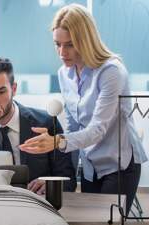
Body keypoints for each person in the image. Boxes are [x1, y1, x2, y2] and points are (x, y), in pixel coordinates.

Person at [19, 4, 147, 213]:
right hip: (91, 166)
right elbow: (73, 126)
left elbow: (98, 130)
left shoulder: (111, 72)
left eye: (70, 45)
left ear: (85, 40)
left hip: (119, 164)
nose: (62, 52)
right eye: (57, 44)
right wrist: (56, 174)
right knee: (90, 223)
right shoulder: (64, 73)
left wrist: (57, 142)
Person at [0, 57, 76, 193]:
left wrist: (52, 185)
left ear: (14, 89)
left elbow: (69, 180)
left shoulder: (46, 122)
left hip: (34, 205)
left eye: (1, 92)